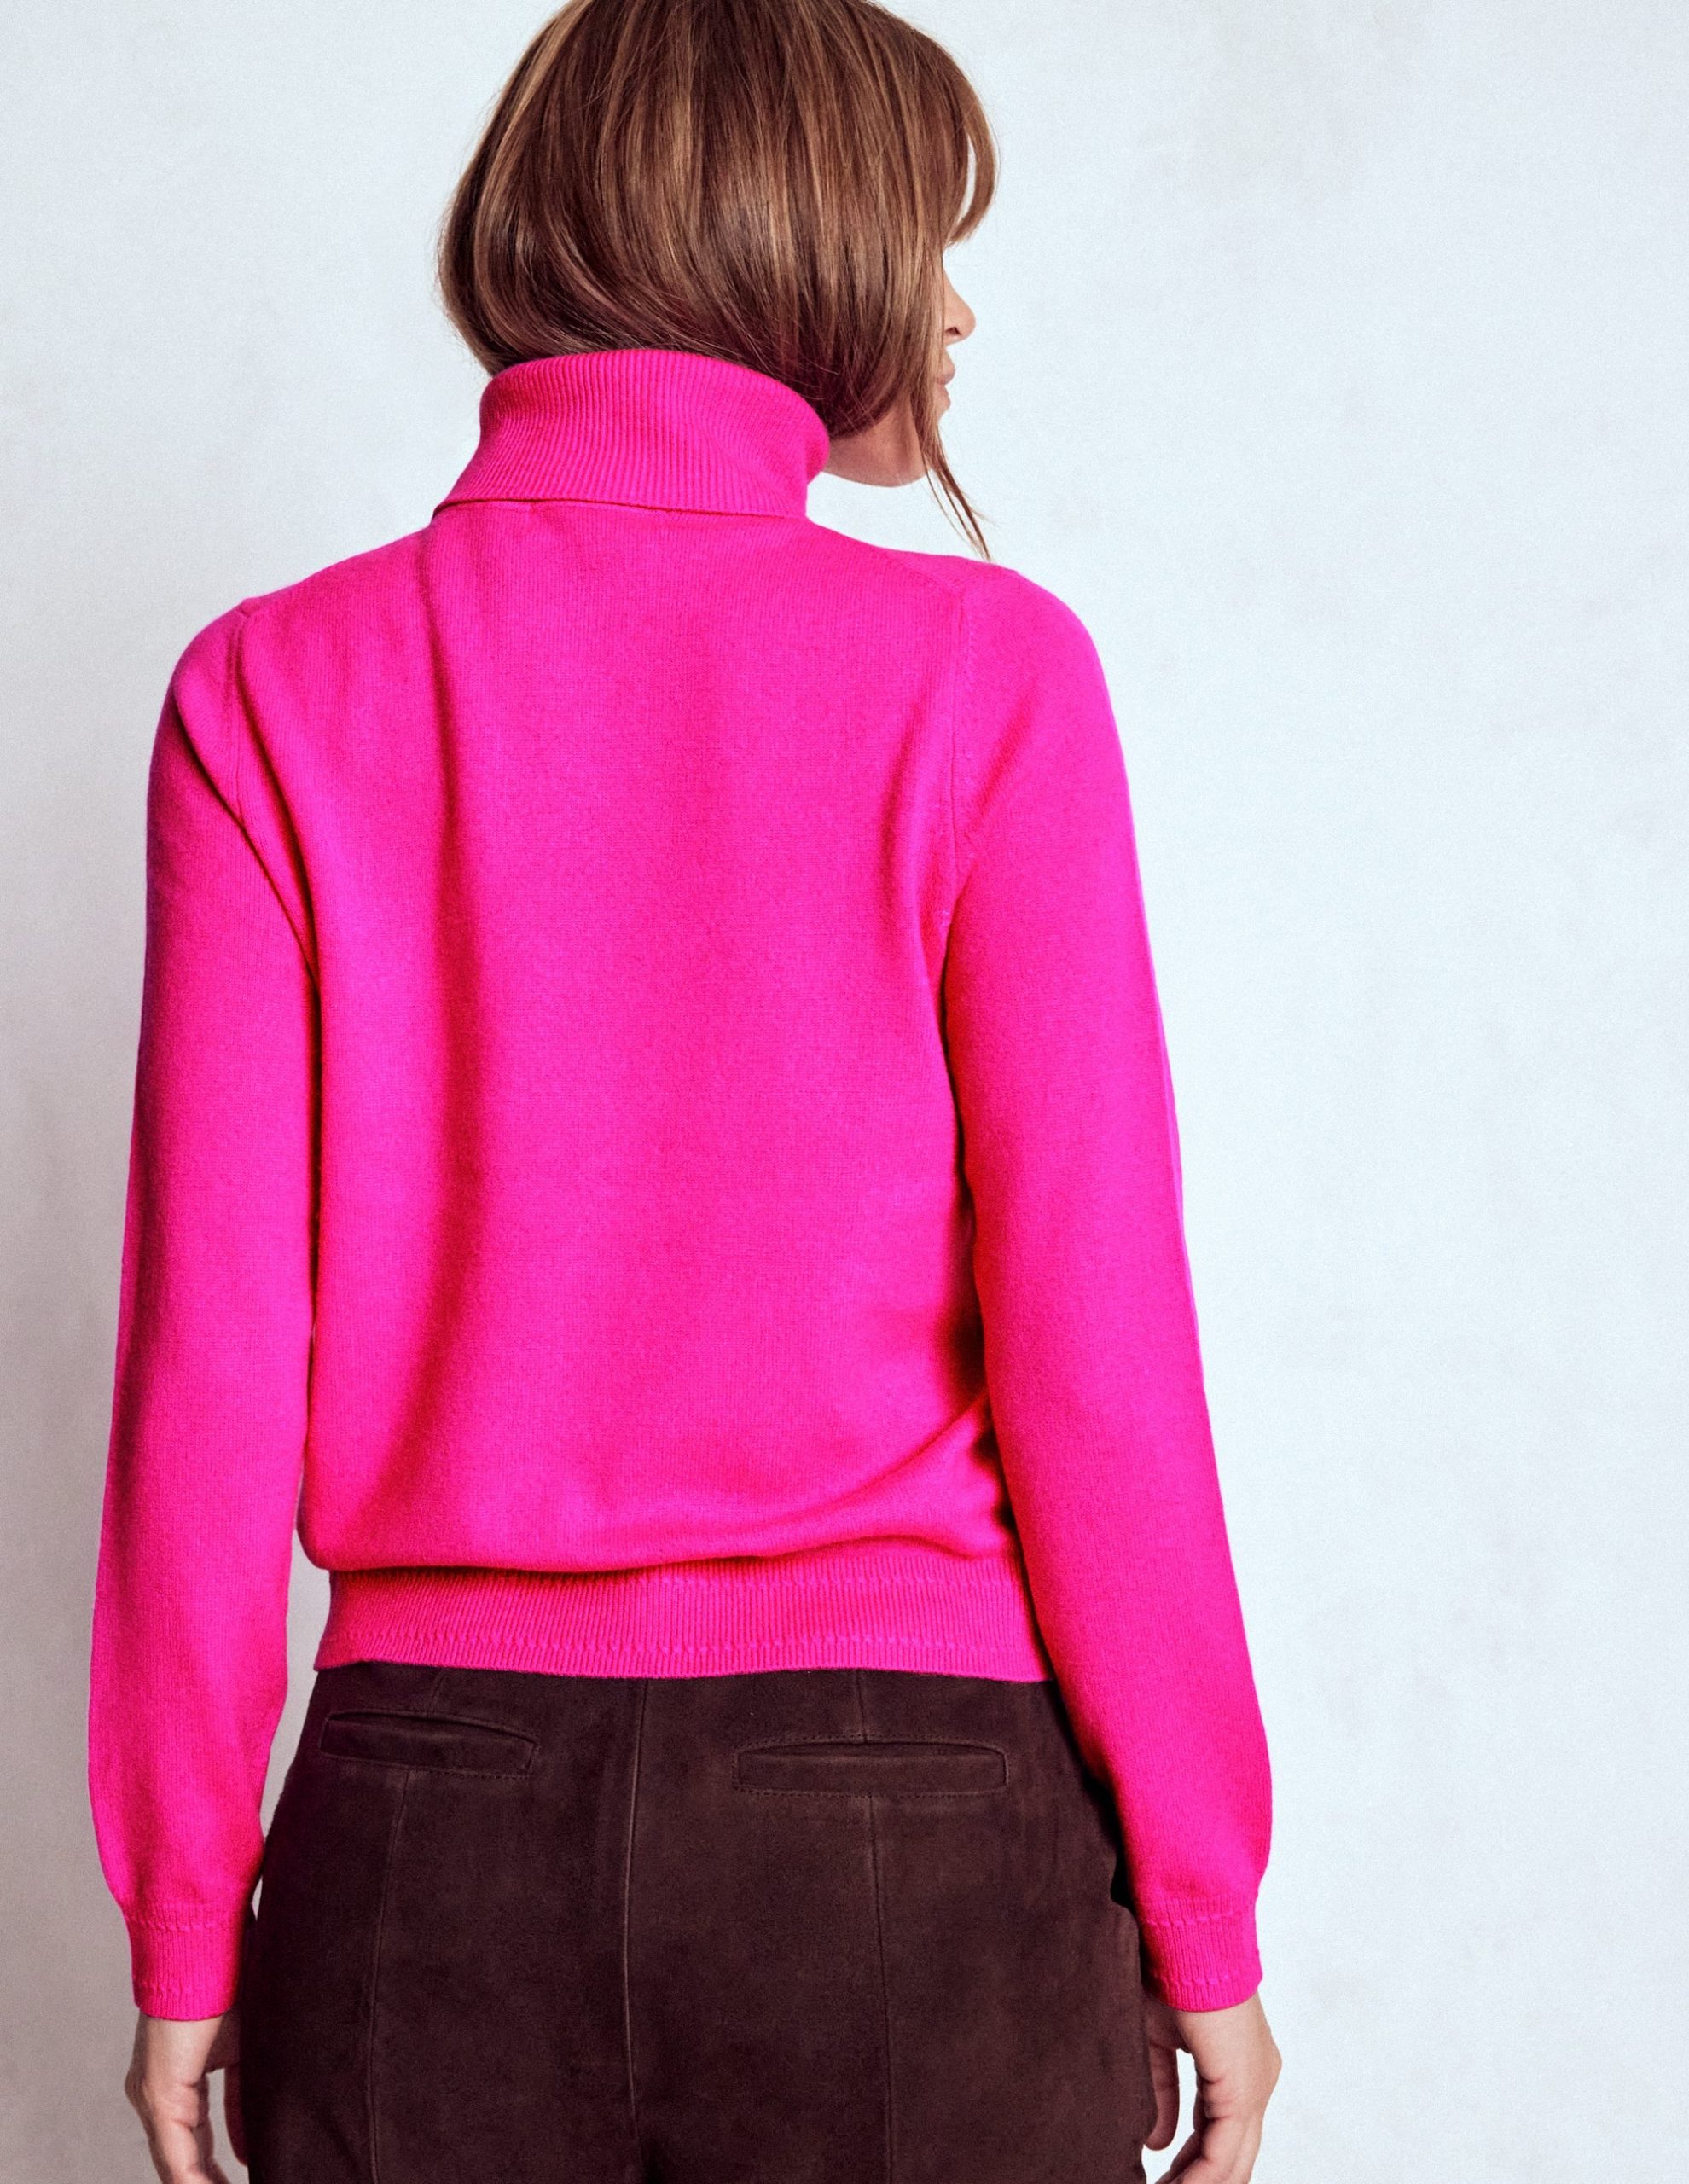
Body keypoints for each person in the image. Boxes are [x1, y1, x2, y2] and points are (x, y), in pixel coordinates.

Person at [90, 2, 1281, 2178]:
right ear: (798, 241)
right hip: (910, 1838)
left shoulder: (270, 689)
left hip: (422, 1841)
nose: (956, 307)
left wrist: (186, 1914)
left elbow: (211, 1363)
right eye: (932, 237)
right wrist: (1201, 1892)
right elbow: (1094, 1341)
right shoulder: (993, 675)